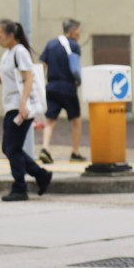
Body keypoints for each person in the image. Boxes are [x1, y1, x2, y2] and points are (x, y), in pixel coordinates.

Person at [0, 19, 52, 202]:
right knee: (10, 148)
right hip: (11, 106)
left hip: (20, 107)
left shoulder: (20, 52)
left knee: (11, 148)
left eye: (0, 36)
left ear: (10, 36)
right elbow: (0, 78)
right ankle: (40, 175)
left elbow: (28, 78)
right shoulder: (8, 53)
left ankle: (20, 187)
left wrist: (23, 104)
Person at [39, 18, 85, 164]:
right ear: (71, 31)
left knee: (50, 120)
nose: (79, 33)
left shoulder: (50, 44)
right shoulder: (74, 46)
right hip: (68, 88)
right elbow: (75, 67)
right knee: (76, 120)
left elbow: (41, 65)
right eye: (78, 30)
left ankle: (45, 148)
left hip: (51, 87)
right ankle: (75, 152)